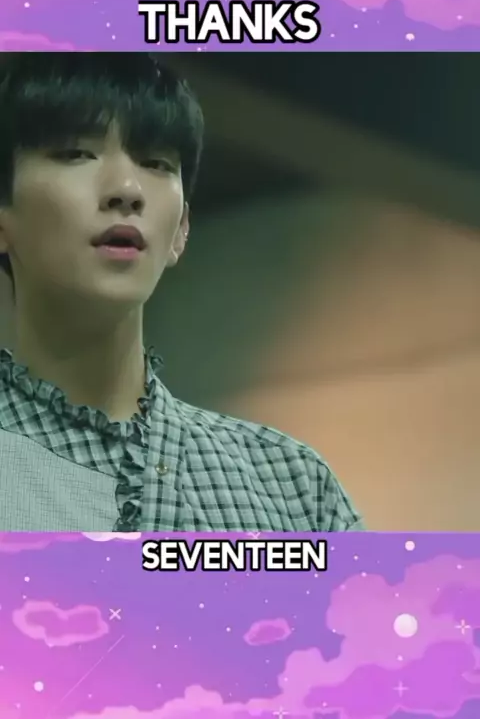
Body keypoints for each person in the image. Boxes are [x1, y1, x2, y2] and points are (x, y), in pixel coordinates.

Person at [0, 53, 363, 532]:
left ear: (181, 230)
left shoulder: (295, 489)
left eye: (155, 163)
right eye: (75, 154)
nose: (127, 189)